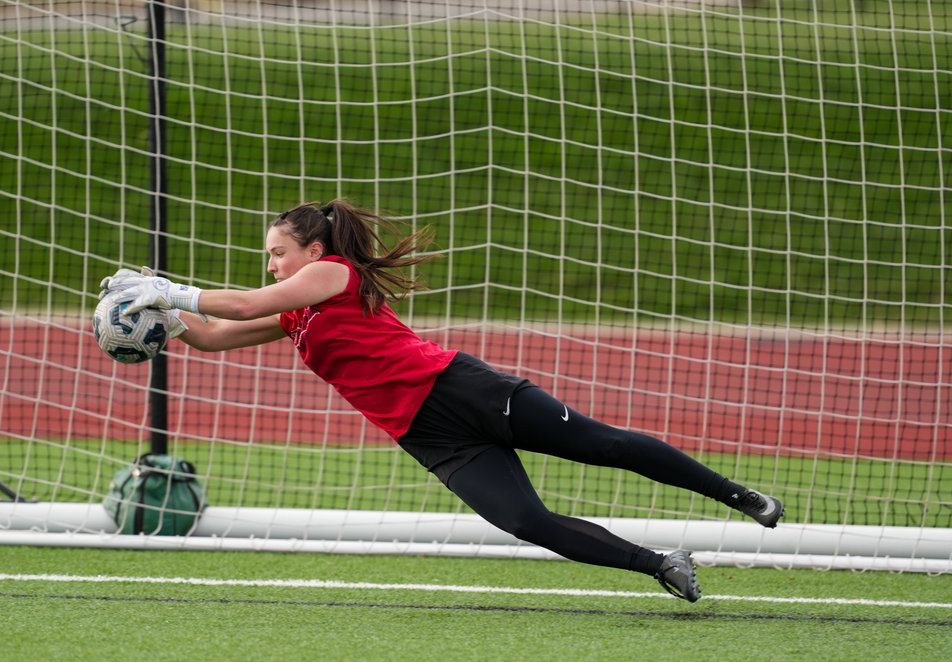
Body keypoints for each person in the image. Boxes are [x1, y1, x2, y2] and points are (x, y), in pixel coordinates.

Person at [101, 199, 783, 604]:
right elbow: (220, 334)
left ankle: (738, 497)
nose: (270, 264)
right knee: (526, 520)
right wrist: (165, 324)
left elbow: (245, 300)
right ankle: (662, 565)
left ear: (312, 249)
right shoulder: (296, 311)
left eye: (278, 252)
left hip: (464, 391)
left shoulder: (330, 274)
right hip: (432, 437)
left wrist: (168, 289)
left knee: (605, 444)